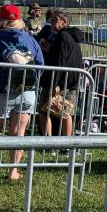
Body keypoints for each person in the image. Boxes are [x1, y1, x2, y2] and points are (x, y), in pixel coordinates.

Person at [0, 4, 44, 181]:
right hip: (27, 91)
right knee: (19, 132)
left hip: (1, 91)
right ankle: (13, 170)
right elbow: (40, 64)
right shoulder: (31, 40)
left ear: (1, 21)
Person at [39, 8, 84, 137]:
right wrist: (49, 49)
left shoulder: (63, 36)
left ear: (64, 22)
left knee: (45, 111)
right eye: (51, 19)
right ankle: (65, 144)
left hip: (59, 81)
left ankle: (49, 143)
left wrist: (54, 84)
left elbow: (60, 60)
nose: (51, 21)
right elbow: (62, 55)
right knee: (65, 113)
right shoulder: (69, 35)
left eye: (55, 19)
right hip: (69, 81)